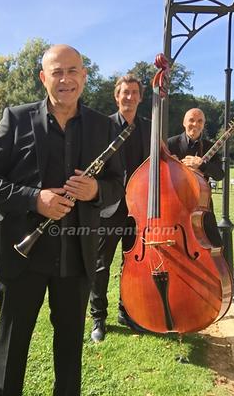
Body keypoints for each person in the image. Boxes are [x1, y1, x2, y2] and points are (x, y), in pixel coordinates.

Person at [0, 44, 124, 396]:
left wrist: (95, 190)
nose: (65, 79)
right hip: (21, 253)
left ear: (84, 76)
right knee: (13, 344)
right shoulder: (17, 117)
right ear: (44, 78)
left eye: (73, 71)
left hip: (75, 256)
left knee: (70, 347)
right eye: (57, 72)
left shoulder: (103, 126)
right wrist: (33, 199)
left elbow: (116, 186)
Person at [89, 74, 151, 342]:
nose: (129, 97)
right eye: (125, 92)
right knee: (102, 263)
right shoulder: (103, 127)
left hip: (138, 209)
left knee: (132, 265)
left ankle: (127, 312)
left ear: (140, 97)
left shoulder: (149, 127)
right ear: (117, 96)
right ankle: (98, 318)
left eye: (134, 92)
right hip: (110, 208)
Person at [168, 107, 224, 247]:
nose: (195, 124)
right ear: (184, 122)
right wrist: (174, 165)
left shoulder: (210, 147)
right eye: (191, 120)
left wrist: (202, 165)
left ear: (204, 124)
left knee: (214, 243)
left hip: (202, 204)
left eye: (200, 121)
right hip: (176, 201)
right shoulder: (170, 144)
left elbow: (219, 175)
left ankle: (215, 269)